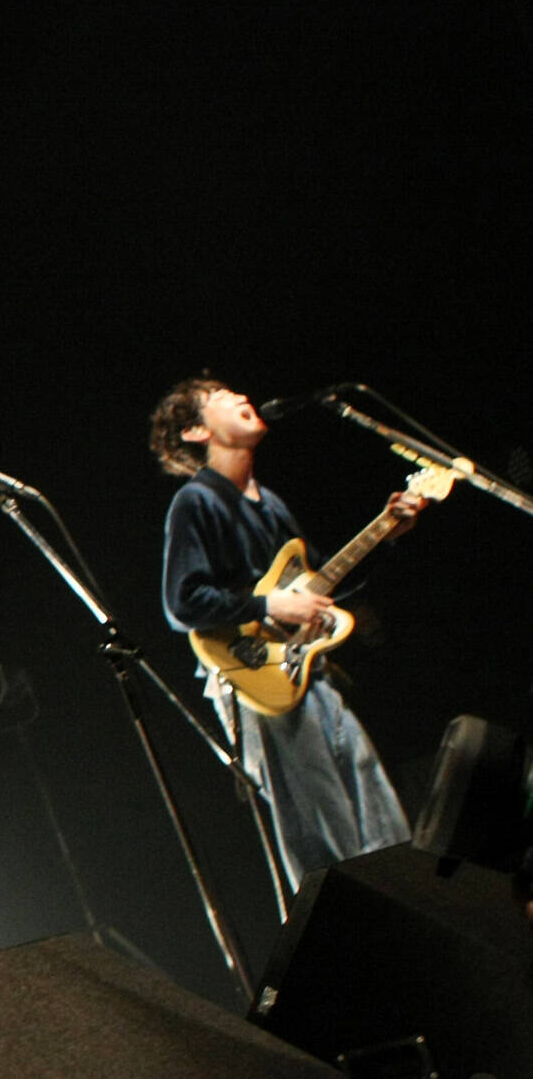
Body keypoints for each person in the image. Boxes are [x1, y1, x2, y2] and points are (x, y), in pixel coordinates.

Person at [150, 377, 419, 892]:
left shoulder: (270, 504)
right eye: (221, 398)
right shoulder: (196, 501)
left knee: (377, 807)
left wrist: (388, 534)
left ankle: (408, 903)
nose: (241, 397)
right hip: (257, 679)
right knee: (323, 830)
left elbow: (323, 582)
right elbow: (182, 602)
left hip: (310, 674)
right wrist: (270, 605)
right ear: (195, 431)